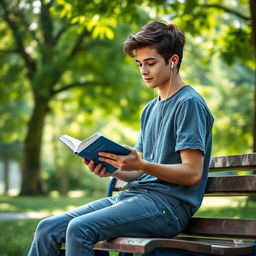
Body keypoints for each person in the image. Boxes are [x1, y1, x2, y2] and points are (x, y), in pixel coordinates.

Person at [28, 21, 214, 256]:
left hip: (168, 207)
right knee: (47, 228)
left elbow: (192, 173)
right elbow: (139, 172)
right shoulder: (150, 109)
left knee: (79, 229)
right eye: (139, 64)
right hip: (135, 198)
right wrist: (113, 168)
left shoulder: (189, 104)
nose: (143, 71)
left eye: (150, 63)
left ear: (173, 61)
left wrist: (142, 164)